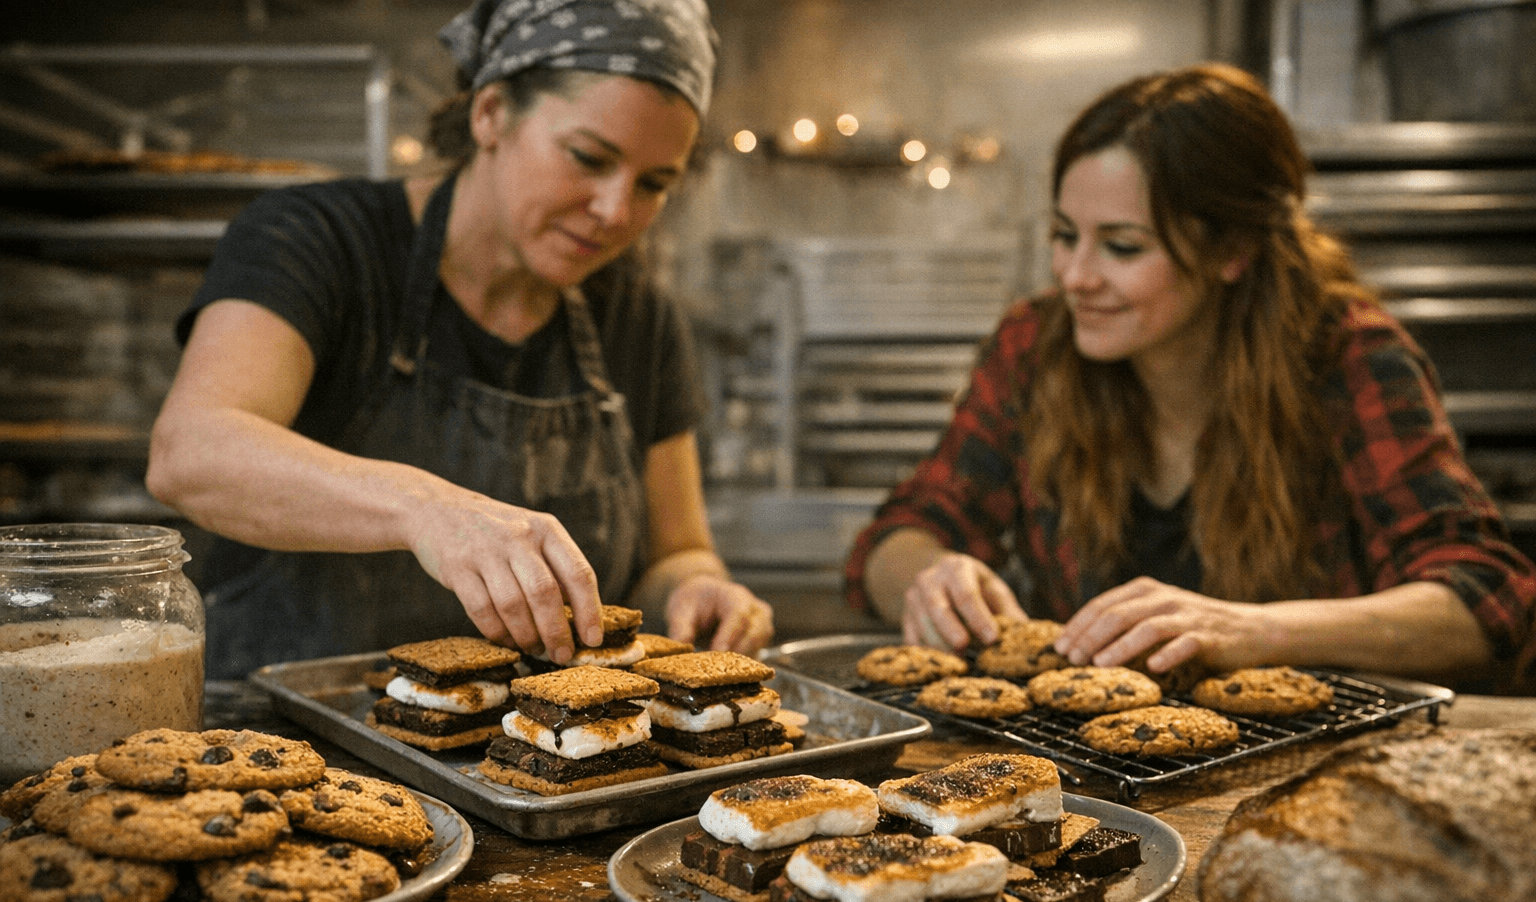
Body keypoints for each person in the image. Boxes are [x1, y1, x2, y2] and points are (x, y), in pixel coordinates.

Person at [844, 63, 1536, 695]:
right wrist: (929, 579)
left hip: (1315, 772)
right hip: (1087, 776)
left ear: (1232, 249)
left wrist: (1254, 632)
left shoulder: (1347, 356)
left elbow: (1486, 600)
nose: (1075, 275)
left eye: (1122, 246)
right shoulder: (1035, 347)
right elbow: (901, 534)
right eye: (1063, 234)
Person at [147, 0, 773, 681]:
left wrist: (696, 590)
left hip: (540, 759)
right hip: (286, 743)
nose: (615, 211)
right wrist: (426, 509)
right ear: (491, 113)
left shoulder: (637, 315)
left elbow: (676, 550)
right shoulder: (317, 242)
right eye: (588, 157)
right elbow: (192, 452)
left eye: (655, 184)